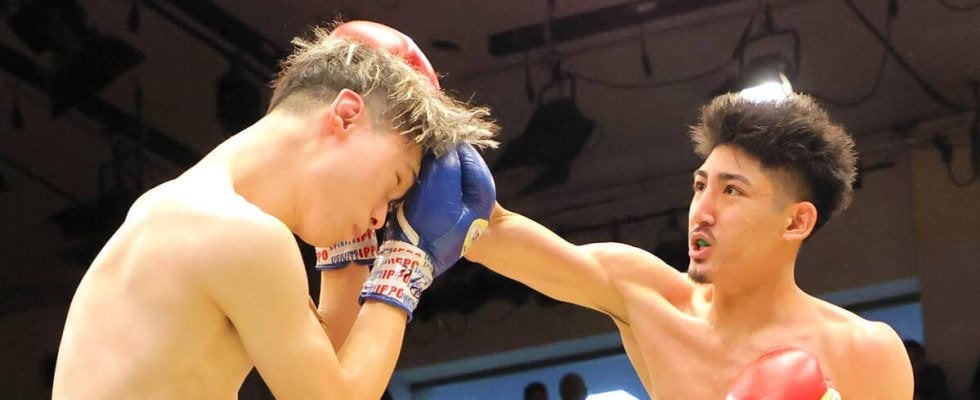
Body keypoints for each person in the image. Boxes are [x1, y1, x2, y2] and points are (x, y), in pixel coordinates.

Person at [52, 20, 498, 399]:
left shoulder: (185, 211)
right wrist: (405, 265)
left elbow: (328, 372)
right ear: (346, 114)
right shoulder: (237, 234)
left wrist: (349, 248)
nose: (381, 218)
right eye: (395, 181)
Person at [466, 93, 914, 399]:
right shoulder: (649, 296)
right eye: (700, 186)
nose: (702, 210)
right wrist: (429, 123)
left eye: (731, 191)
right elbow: (484, 228)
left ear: (796, 221)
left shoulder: (862, 351)